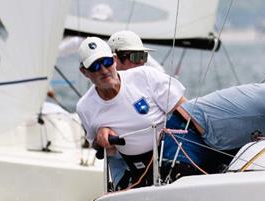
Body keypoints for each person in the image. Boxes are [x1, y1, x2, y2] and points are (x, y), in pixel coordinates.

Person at [75, 36, 186, 188]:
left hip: (172, 153)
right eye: (94, 66)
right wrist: (100, 137)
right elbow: (96, 145)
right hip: (131, 167)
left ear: (114, 60)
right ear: (84, 72)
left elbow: (187, 110)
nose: (103, 70)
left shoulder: (146, 75)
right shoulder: (84, 107)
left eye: (107, 62)